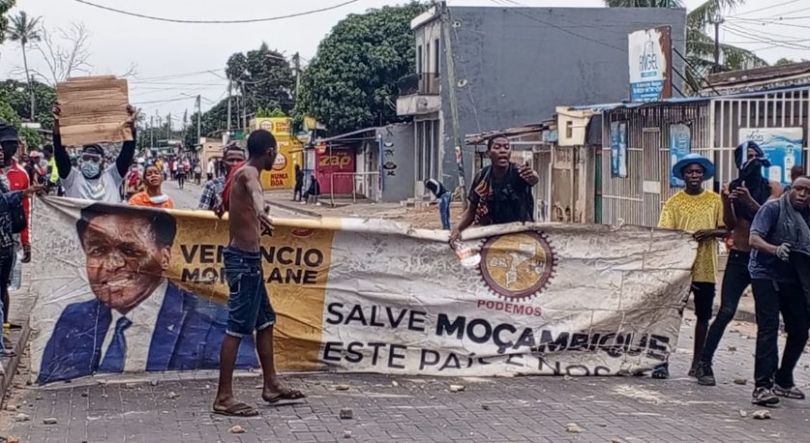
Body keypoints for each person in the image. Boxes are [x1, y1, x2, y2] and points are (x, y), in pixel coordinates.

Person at [37, 203, 258, 384]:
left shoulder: (212, 320)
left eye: (130, 250)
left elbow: (241, 379)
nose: (112, 265)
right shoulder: (74, 317)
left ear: (165, 257)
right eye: (98, 250)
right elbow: (50, 379)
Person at [213, 129, 305, 417]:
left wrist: (253, 213)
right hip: (244, 262)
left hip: (249, 261)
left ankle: (271, 385)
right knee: (236, 328)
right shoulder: (248, 173)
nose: (275, 158)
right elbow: (255, 191)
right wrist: (261, 209)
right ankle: (223, 397)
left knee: (265, 321)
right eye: (275, 154)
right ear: (270, 152)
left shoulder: (240, 173)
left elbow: (234, 201)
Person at [695, 142, 782, 386]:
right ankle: (704, 363)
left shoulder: (773, 188)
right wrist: (726, 201)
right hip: (739, 258)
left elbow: (769, 219)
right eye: (747, 157)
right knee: (725, 311)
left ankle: (770, 376)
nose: (752, 162)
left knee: (768, 319)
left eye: (756, 156)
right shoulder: (733, 186)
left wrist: (749, 199)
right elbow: (731, 225)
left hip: (763, 261)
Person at [656, 153, 726, 380]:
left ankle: (697, 364)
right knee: (670, 315)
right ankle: (661, 361)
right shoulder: (674, 202)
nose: (694, 175)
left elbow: (726, 229)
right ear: (683, 176)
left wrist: (711, 232)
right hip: (680, 268)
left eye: (698, 172)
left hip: (705, 268)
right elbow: (665, 233)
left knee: (703, 316)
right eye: (690, 172)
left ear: (704, 175)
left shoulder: (715, 200)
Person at [747, 175, 810, 405]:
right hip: (765, 273)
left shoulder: (807, 216)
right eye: (799, 189)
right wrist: (775, 249)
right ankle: (762, 386)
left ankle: (783, 379)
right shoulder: (773, 209)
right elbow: (754, 239)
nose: (803, 195)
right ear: (789, 189)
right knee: (769, 328)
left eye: (808, 192)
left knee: (800, 329)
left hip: (794, 277)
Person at [0, 122, 42, 357]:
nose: (9, 149)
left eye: (12, 144)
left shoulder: (21, 173)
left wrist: (26, 241)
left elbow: (25, 210)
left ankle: (3, 328)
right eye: (5, 144)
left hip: (10, 240)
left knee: (5, 286)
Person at [449, 136, 538, 244]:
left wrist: (532, 176)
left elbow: (533, 179)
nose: (502, 150)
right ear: (488, 153)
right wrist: (458, 228)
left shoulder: (519, 172)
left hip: (521, 236)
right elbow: (472, 210)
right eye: (497, 147)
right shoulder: (482, 176)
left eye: (506, 147)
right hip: (494, 238)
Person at [52, 104, 137, 203]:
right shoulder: (72, 178)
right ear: (80, 159)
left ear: (102, 162)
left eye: (95, 159)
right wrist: (57, 123)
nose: (90, 162)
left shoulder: (112, 176)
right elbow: (60, 153)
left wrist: (131, 126)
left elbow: (127, 153)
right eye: (86, 158)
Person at [198, 146, 245, 211]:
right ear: (224, 163)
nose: (235, 164)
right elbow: (201, 212)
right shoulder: (212, 185)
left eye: (239, 160)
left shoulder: (251, 186)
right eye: (231, 160)